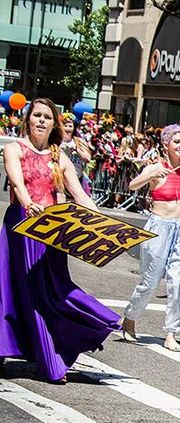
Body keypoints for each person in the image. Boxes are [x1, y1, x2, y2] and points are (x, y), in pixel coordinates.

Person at [0, 98, 119, 383]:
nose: (41, 120)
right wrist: (29, 204)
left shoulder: (59, 158)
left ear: (54, 124)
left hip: (50, 233)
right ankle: (14, 352)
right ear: (28, 119)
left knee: (50, 292)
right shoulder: (13, 148)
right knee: (13, 290)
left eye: (47, 117)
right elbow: (17, 183)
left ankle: (53, 352)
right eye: (36, 115)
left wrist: (104, 224)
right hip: (20, 227)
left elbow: (80, 195)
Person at [121, 124, 180, 353]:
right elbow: (132, 185)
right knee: (149, 281)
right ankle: (129, 317)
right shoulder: (157, 167)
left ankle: (171, 333)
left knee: (176, 282)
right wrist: (153, 175)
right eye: (176, 142)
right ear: (166, 144)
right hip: (159, 227)